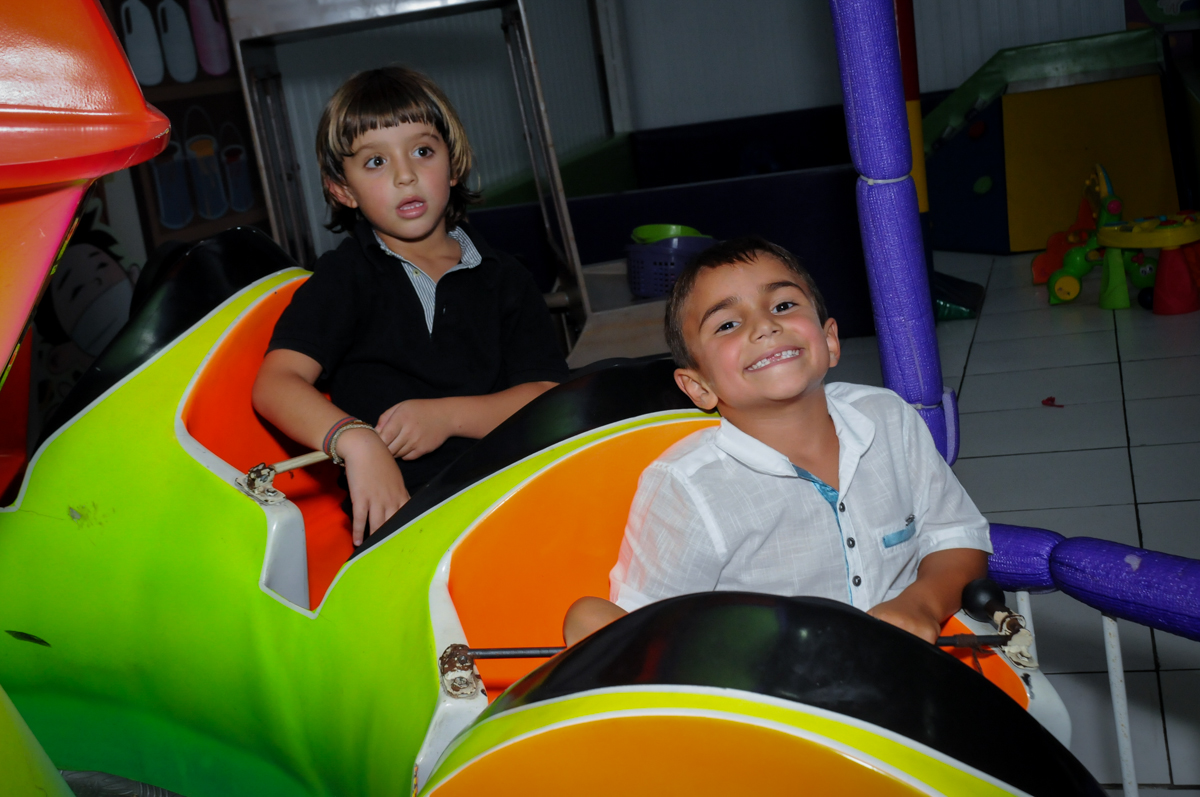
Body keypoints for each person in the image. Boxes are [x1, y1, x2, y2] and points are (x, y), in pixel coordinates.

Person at [563, 237, 990, 646]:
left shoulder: (888, 417)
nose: (765, 326)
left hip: (905, 676)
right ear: (698, 387)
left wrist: (921, 603)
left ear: (829, 340)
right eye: (728, 324)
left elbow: (956, 538)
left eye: (783, 305)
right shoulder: (687, 486)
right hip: (768, 709)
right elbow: (645, 632)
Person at [253, 67, 568, 546]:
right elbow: (276, 384)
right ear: (343, 190)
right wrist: (356, 441)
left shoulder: (506, 278)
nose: (405, 175)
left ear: (454, 164)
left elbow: (548, 396)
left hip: (512, 499)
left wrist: (447, 417)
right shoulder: (344, 277)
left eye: (423, 151)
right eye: (375, 162)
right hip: (402, 524)